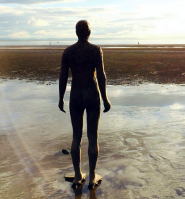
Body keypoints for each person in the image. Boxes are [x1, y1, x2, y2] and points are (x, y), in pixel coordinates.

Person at [58, 20, 111, 189]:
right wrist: (105, 98)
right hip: (91, 93)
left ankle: (77, 176)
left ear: (76, 33)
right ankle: (92, 176)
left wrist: (61, 98)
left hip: (76, 95)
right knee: (93, 137)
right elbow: (101, 75)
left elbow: (63, 77)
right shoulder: (96, 50)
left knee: (76, 137)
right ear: (89, 32)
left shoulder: (68, 52)